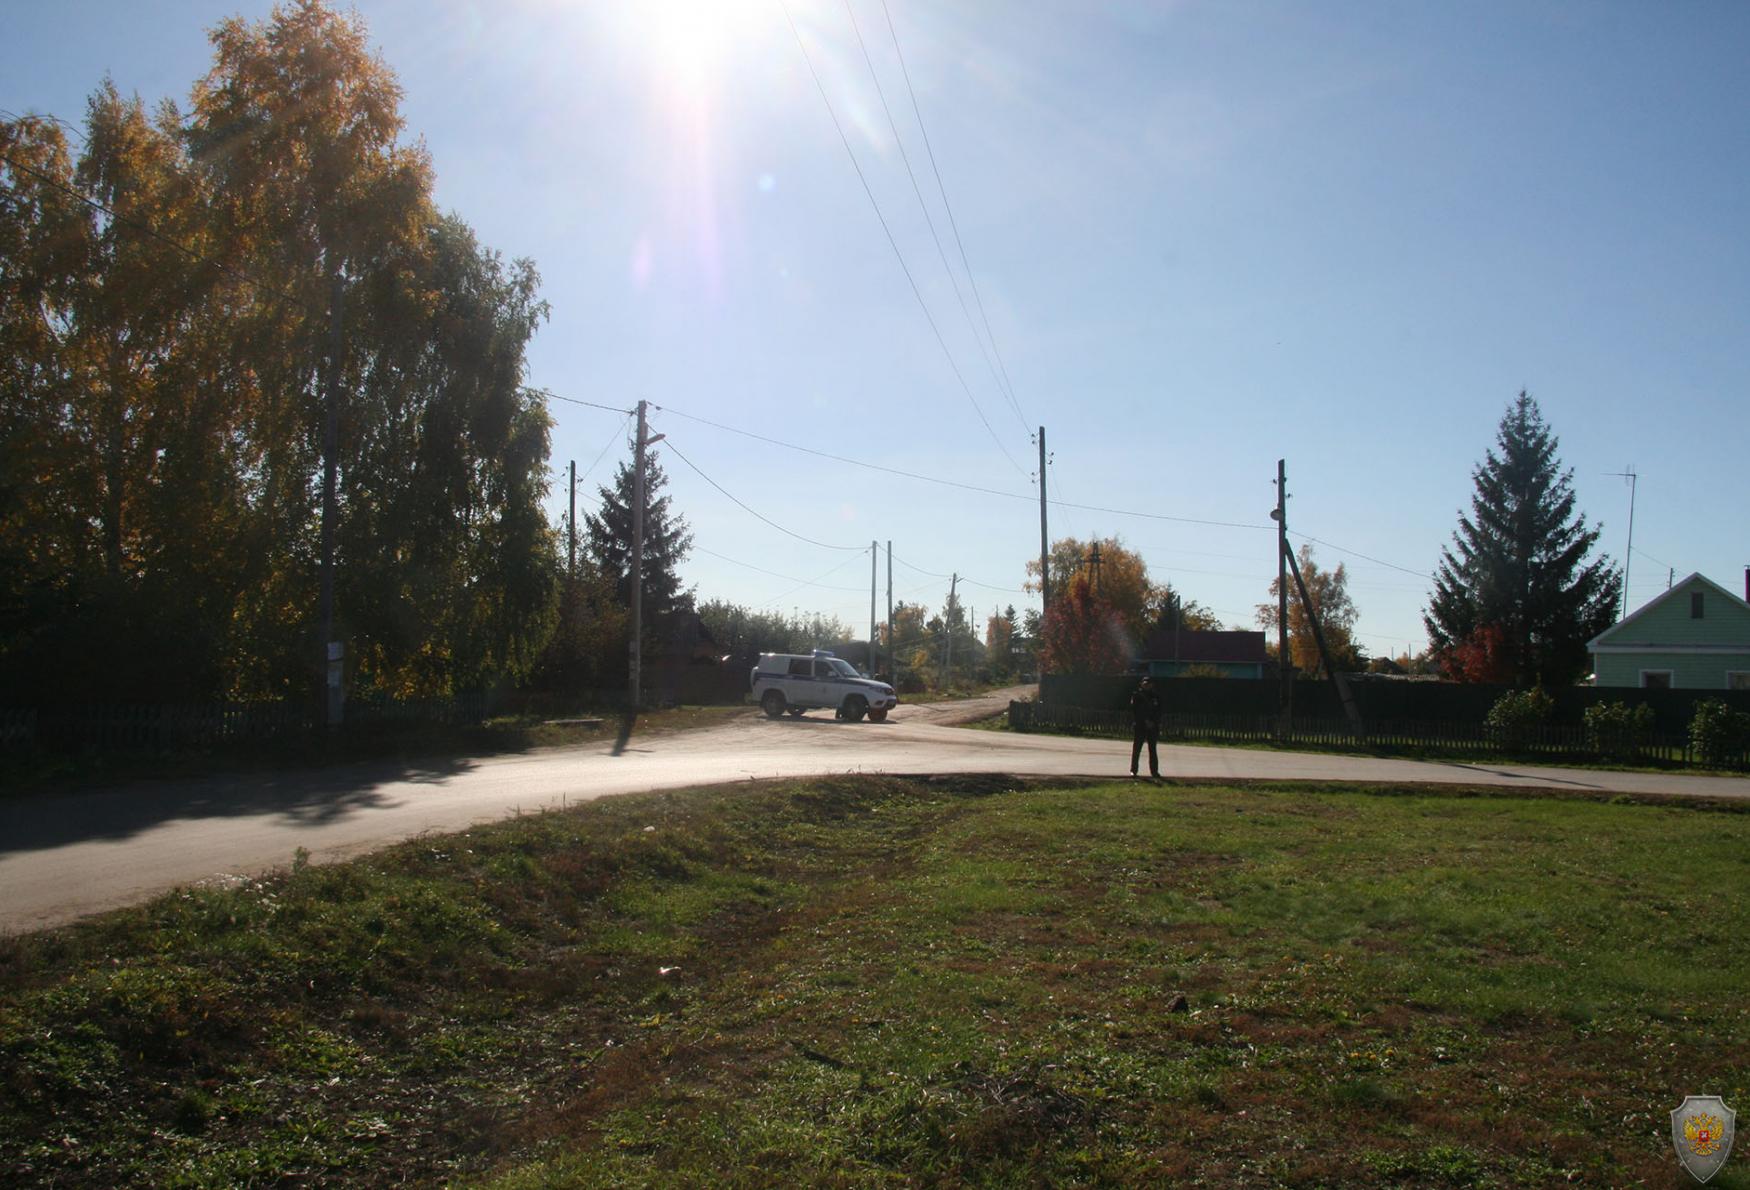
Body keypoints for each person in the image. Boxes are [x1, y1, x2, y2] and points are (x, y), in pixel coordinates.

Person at [1129, 675, 1162, 780]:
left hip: (1152, 726)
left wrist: (1153, 722)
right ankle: (1133, 770)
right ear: (1141, 684)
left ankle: (1154, 771)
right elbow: (1136, 711)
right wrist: (1145, 720)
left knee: (1152, 750)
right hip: (1140, 725)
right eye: (1145, 684)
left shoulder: (1156, 696)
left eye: (1148, 684)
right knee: (1137, 749)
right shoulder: (1137, 696)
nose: (1147, 685)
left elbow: (1159, 711)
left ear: (1152, 685)